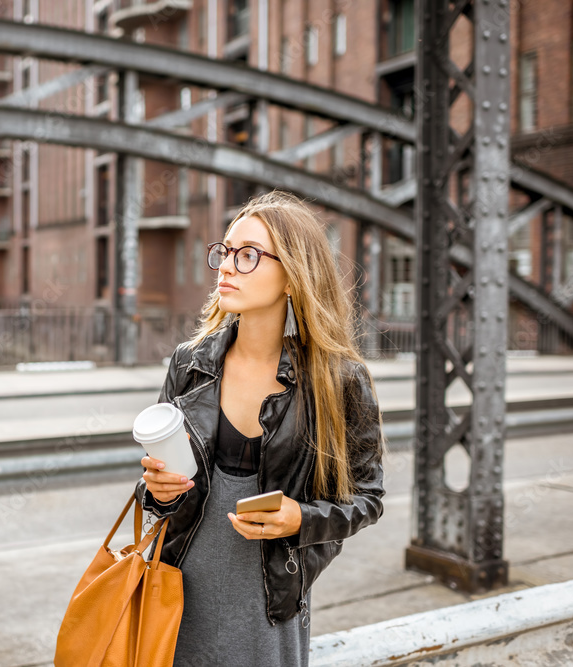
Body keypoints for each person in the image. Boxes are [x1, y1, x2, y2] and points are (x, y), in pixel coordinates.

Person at [135, 190, 387, 667]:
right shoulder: (189, 365)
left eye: (247, 255)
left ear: (293, 275)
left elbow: (368, 497)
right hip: (178, 591)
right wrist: (159, 491)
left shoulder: (337, 381)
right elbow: (156, 495)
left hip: (270, 604)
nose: (225, 266)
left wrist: (301, 519)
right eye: (224, 251)